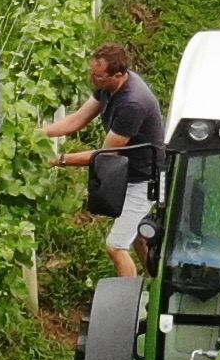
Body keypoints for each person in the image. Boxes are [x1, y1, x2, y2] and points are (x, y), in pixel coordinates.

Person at [46, 41, 168, 272]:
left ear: (119, 75)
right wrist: (35, 135)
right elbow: (76, 120)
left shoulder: (132, 103)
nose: (94, 80)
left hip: (144, 180)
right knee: (137, 236)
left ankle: (130, 303)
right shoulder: (107, 86)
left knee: (116, 246)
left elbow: (105, 155)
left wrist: (58, 160)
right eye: (92, 73)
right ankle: (155, 280)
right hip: (128, 172)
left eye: (99, 76)